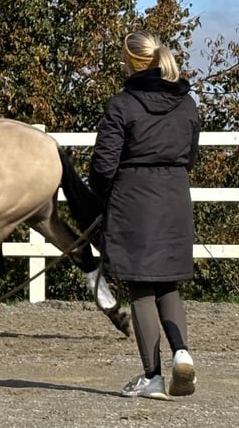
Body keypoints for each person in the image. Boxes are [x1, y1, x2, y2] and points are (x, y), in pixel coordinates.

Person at [88, 30, 201, 400]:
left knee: (140, 288)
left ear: (131, 62)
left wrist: (101, 197)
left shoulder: (122, 105)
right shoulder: (188, 105)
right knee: (169, 283)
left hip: (135, 199)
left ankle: (152, 376)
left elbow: (103, 167)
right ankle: (181, 352)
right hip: (174, 196)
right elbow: (190, 156)